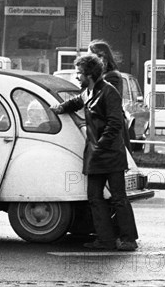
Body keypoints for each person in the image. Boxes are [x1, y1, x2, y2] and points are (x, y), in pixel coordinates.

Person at [50, 54, 139, 251]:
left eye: (79, 73)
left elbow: (116, 122)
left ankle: (128, 239)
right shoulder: (90, 91)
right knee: (95, 197)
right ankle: (105, 239)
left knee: (118, 198)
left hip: (109, 154)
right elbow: (75, 101)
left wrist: (100, 145)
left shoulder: (109, 91)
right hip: (98, 154)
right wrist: (60, 107)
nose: (76, 77)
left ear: (89, 75)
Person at [87, 39, 132, 151]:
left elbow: (102, 100)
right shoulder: (105, 75)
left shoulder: (111, 76)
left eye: (89, 56)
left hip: (110, 125)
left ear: (100, 57)